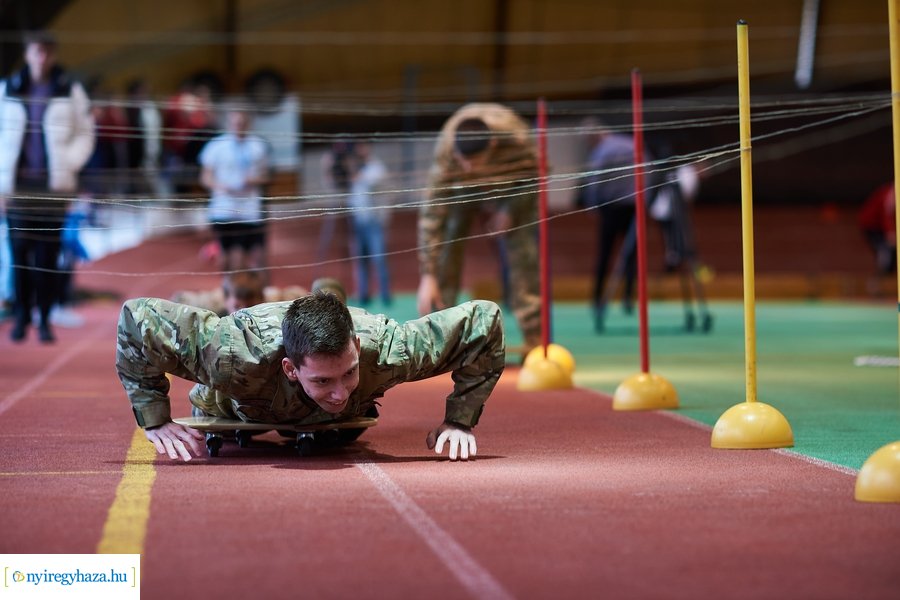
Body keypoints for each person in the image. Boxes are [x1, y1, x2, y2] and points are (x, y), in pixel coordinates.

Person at [116, 290, 505, 462]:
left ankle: (327, 294)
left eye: (347, 373)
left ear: (355, 346)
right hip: (242, 398)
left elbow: (482, 321)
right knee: (219, 403)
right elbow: (137, 318)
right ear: (290, 368)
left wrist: (460, 420)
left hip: (333, 419)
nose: (338, 393)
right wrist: (154, 418)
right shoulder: (232, 353)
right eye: (323, 381)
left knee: (343, 415)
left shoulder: (389, 351)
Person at [417, 103, 541, 354]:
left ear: (493, 145)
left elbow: (538, 176)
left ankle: (534, 337)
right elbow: (432, 214)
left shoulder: (517, 140)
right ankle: (439, 336)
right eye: (464, 162)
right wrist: (428, 274)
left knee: (524, 249)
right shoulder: (448, 151)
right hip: (462, 190)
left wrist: (510, 209)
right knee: (448, 239)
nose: (469, 168)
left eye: (474, 162)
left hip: (512, 184)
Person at [0, 31, 95, 343]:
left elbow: (86, 133)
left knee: (47, 255)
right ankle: (22, 315)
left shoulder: (69, 90)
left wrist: (69, 162)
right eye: (36, 52)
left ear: (53, 55)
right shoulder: (8, 90)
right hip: (18, 187)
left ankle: (44, 317)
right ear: (27, 54)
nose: (42, 58)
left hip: (54, 187)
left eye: (47, 52)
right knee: (19, 254)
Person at [578, 121, 643, 332]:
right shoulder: (631, 144)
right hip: (635, 206)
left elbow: (594, 180)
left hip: (611, 208)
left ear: (594, 137)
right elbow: (649, 170)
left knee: (605, 255)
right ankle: (627, 298)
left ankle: (598, 299)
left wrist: (592, 204)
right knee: (631, 255)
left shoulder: (601, 151)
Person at [198, 104, 272, 276]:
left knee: (252, 256)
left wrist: (253, 180)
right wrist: (220, 185)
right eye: (235, 123)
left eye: (242, 122)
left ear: (248, 123)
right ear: (229, 123)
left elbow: (266, 175)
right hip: (224, 208)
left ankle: (254, 293)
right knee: (226, 257)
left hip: (250, 209)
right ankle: (230, 293)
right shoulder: (216, 146)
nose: (239, 126)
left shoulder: (258, 145)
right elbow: (205, 177)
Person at [347, 140, 392, 305]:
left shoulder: (376, 168)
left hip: (374, 220)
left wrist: (354, 170)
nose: (360, 151)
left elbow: (370, 183)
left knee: (379, 258)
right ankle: (363, 294)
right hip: (358, 220)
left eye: (363, 147)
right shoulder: (356, 168)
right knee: (360, 259)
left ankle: (385, 294)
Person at [858, 182, 896, 276]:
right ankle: (883, 275)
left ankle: (888, 273)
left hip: (878, 227)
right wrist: (890, 232)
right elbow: (885, 214)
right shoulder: (889, 194)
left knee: (889, 249)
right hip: (871, 226)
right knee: (884, 249)